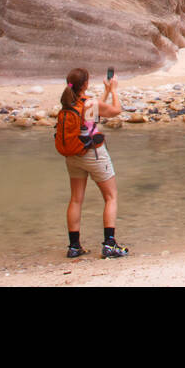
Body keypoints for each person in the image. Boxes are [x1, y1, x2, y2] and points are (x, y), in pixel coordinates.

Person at [59, 67, 128, 259]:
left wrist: (104, 92)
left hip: (73, 156)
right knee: (111, 197)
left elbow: (92, 116)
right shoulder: (88, 103)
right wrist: (113, 90)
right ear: (86, 84)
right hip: (94, 155)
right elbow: (115, 111)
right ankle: (109, 244)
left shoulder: (68, 102)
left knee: (76, 199)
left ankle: (74, 247)